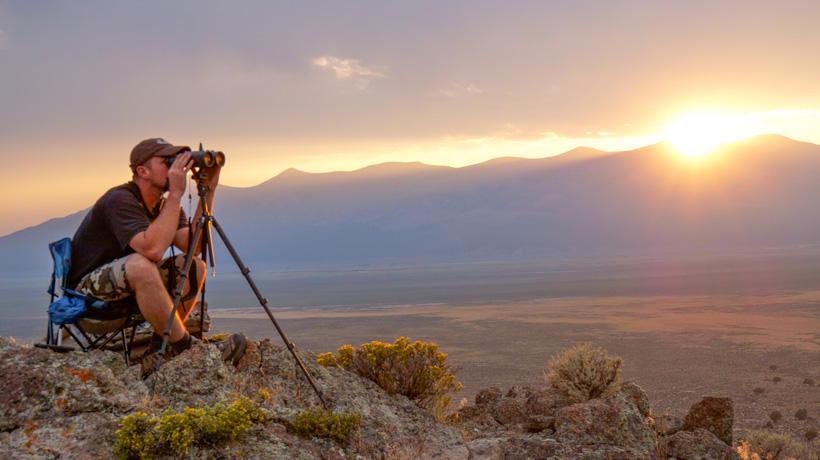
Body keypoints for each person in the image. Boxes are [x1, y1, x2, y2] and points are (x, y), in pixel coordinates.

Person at [67, 138, 246, 379]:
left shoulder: (164, 207)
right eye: (167, 162)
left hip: (127, 293)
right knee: (141, 263)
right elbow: (151, 250)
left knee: (195, 267)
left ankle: (158, 350)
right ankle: (186, 347)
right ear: (142, 171)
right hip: (88, 302)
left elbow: (194, 247)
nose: (176, 168)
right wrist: (175, 194)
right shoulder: (120, 200)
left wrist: (209, 190)